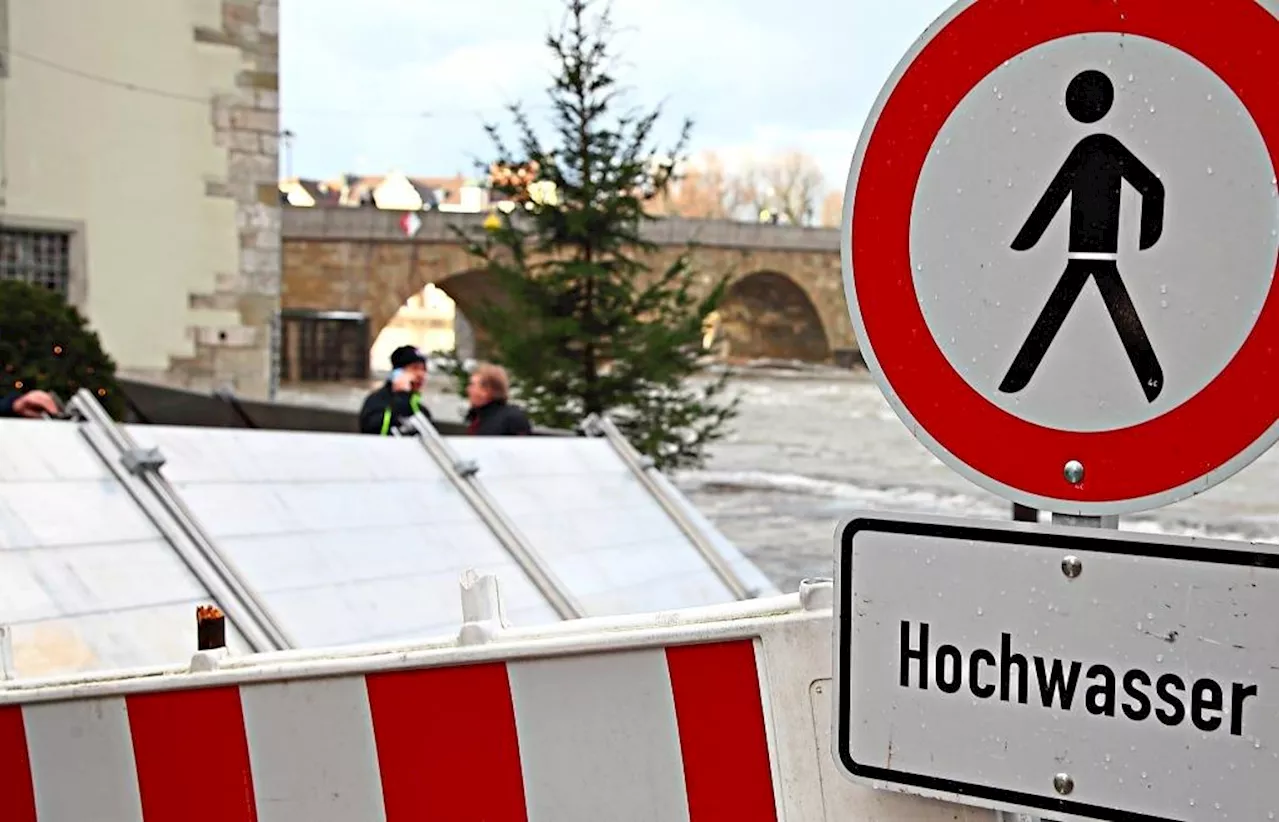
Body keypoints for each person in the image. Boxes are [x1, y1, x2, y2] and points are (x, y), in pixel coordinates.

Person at [359, 345, 433, 435]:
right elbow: (376, 432)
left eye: (423, 370)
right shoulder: (376, 402)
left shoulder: (420, 409)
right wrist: (401, 394)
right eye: (415, 368)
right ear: (397, 373)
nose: (421, 375)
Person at [465, 363, 532, 436]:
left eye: (472, 385)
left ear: (487, 390)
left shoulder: (511, 420)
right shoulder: (477, 418)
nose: (468, 390)